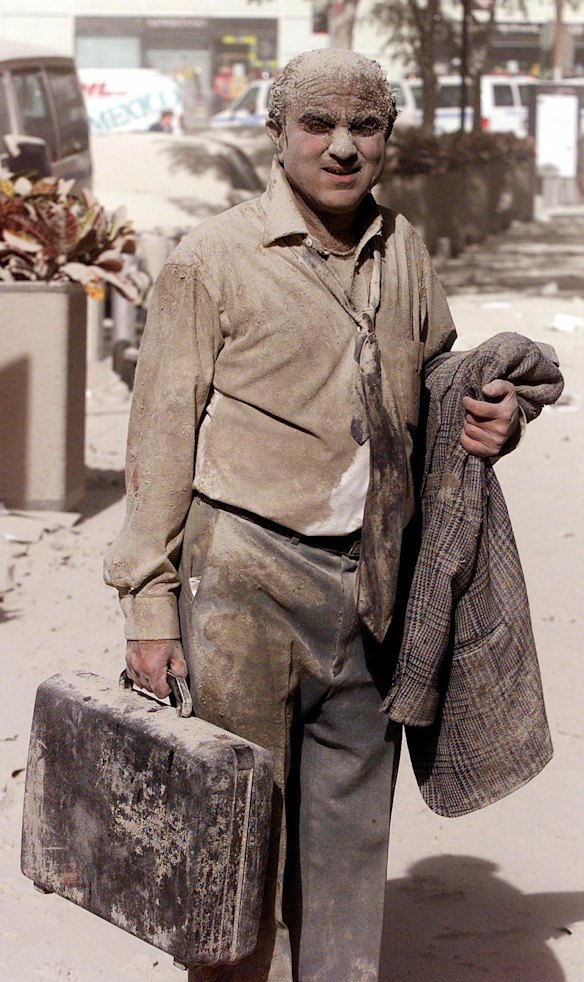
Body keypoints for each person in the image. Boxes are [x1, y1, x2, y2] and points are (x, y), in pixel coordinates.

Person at [105, 50, 531, 981]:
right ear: (277, 133)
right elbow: (160, 438)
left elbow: (436, 381)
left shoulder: (405, 249)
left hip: (372, 584)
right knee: (232, 844)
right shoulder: (214, 260)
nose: (342, 147)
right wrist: (147, 607)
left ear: (387, 140)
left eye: (366, 127)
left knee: (349, 840)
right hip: (243, 579)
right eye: (318, 125)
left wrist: (494, 410)